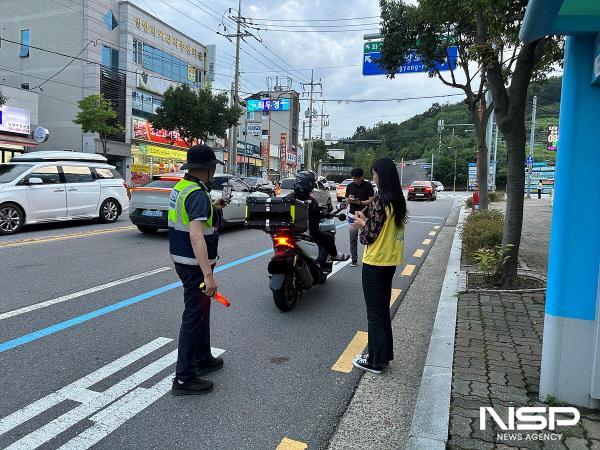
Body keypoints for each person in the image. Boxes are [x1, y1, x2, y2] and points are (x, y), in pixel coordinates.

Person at [169, 145, 228, 396]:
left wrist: (213, 207)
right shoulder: (197, 194)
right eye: (213, 167)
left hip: (182, 259)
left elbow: (187, 218)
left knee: (202, 311)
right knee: (194, 316)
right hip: (194, 266)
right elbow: (196, 235)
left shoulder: (183, 188)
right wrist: (208, 274)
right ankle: (183, 378)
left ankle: (203, 357)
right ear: (207, 169)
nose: (214, 171)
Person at [350, 158, 407, 374]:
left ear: (381, 175)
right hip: (390, 261)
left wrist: (361, 223)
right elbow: (384, 228)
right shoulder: (397, 200)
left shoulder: (379, 201)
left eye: (374, 173)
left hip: (375, 262)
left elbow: (367, 237)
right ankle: (382, 355)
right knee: (382, 311)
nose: (372, 177)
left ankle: (374, 361)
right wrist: (368, 219)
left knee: (374, 314)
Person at [293, 170, 349, 265]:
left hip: (289, 231)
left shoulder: (289, 198)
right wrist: (323, 213)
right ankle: (335, 255)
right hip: (308, 232)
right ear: (309, 184)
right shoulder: (312, 202)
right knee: (329, 237)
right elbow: (315, 218)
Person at [345, 168, 375, 267]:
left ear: (362, 177)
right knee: (352, 238)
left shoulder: (368, 185)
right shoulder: (349, 186)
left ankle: (369, 258)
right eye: (354, 178)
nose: (356, 180)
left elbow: (371, 200)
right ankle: (354, 259)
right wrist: (349, 200)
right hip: (353, 215)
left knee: (368, 237)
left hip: (365, 216)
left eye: (358, 178)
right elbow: (346, 200)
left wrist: (360, 202)